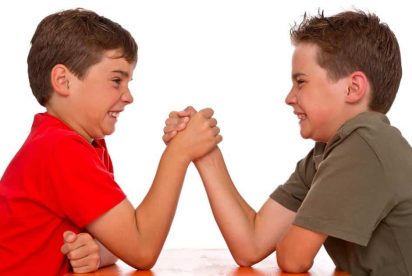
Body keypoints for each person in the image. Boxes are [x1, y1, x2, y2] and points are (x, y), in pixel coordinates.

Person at [163, 10, 412, 275]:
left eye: (301, 82)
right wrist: (203, 149)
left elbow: (294, 259)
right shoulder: (328, 153)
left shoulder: (364, 146)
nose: (289, 97)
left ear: (352, 88)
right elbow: (251, 244)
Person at [0, 8, 221, 275]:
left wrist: (97, 251)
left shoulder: (85, 143)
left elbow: (119, 239)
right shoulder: (59, 150)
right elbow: (141, 249)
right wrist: (179, 153)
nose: (128, 97)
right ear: (63, 81)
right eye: (116, 80)